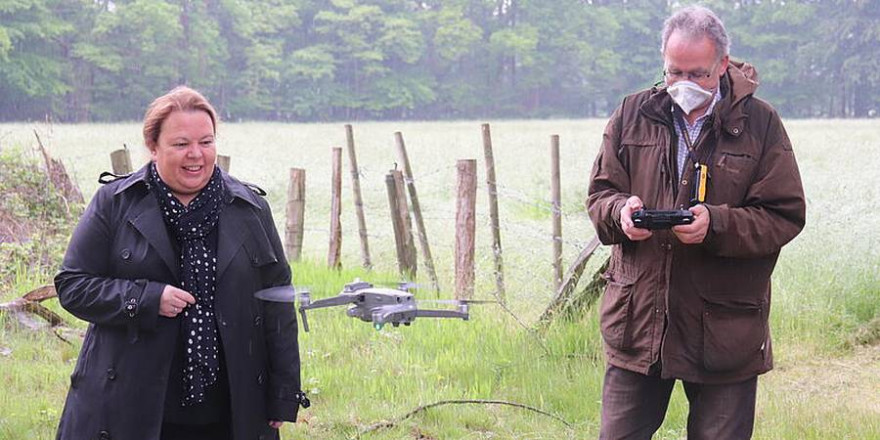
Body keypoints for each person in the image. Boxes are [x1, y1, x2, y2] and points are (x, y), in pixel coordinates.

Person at [587, 6, 805, 440]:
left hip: (724, 330)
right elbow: (599, 196)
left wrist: (717, 225)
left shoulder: (760, 124)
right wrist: (620, 213)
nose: (684, 84)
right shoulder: (632, 113)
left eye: (698, 74)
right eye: (673, 72)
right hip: (639, 324)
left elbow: (784, 215)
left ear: (723, 64)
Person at [55, 86, 308, 440]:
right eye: (181, 144)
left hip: (231, 408)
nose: (196, 155)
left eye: (206, 142)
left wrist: (283, 393)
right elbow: (73, 285)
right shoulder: (115, 203)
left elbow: (278, 304)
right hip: (130, 406)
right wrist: (146, 298)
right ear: (153, 146)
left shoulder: (249, 209)